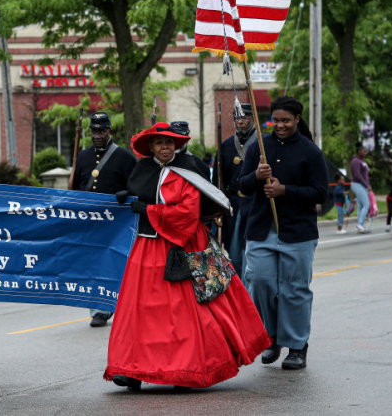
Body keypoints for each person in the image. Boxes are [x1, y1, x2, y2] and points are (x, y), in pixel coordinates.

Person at [104, 123, 270, 391]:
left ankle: (186, 369)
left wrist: (149, 210)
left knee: (182, 313)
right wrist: (127, 196)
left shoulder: (188, 171)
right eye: (159, 143)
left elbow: (187, 213)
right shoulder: (142, 169)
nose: (165, 147)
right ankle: (132, 369)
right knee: (139, 311)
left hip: (182, 245)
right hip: (146, 248)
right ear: (151, 147)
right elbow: (139, 194)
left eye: (169, 142)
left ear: (177, 145)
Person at [239, 96, 328, 370]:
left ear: (297, 119)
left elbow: (320, 193)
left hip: (297, 233)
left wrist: (284, 190)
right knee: (260, 283)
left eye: (286, 120)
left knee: (294, 290)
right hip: (261, 230)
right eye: (275, 120)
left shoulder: (310, 151)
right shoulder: (258, 148)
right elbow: (240, 185)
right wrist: (255, 176)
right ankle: (271, 336)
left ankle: (297, 346)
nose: (280, 125)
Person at [71, 111, 136, 327]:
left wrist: (126, 192)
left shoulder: (124, 157)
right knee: (93, 264)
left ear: (110, 131)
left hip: (116, 222)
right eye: (94, 131)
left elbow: (136, 186)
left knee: (113, 264)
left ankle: (111, 306)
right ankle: (98, 307)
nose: (97, 135)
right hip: (89, 221)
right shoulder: (83, 157)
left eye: (102, 130)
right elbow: (77, 189)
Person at [213, 103, 258, 273]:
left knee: (251, 251)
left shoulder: (263, 143)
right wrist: (218, 208)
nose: (240, 121)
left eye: (244, 117)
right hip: (234, 205)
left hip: (255, 203)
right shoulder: (226, 146)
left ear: (252, 119)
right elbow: (218, 181)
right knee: (233, 252)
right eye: (237, 118)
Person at [350, 143, 373, 234]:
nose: (365, 153)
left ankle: (361, 225)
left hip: (362, 185)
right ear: (359, 152)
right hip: (357, 184)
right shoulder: (355, 161)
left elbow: (364, 175)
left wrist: (367, 184)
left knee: (361, 206)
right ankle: (359, 224)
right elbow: (357, 175)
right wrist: (366, 185)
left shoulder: (361, 161)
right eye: (364, 151)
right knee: (367, 204)